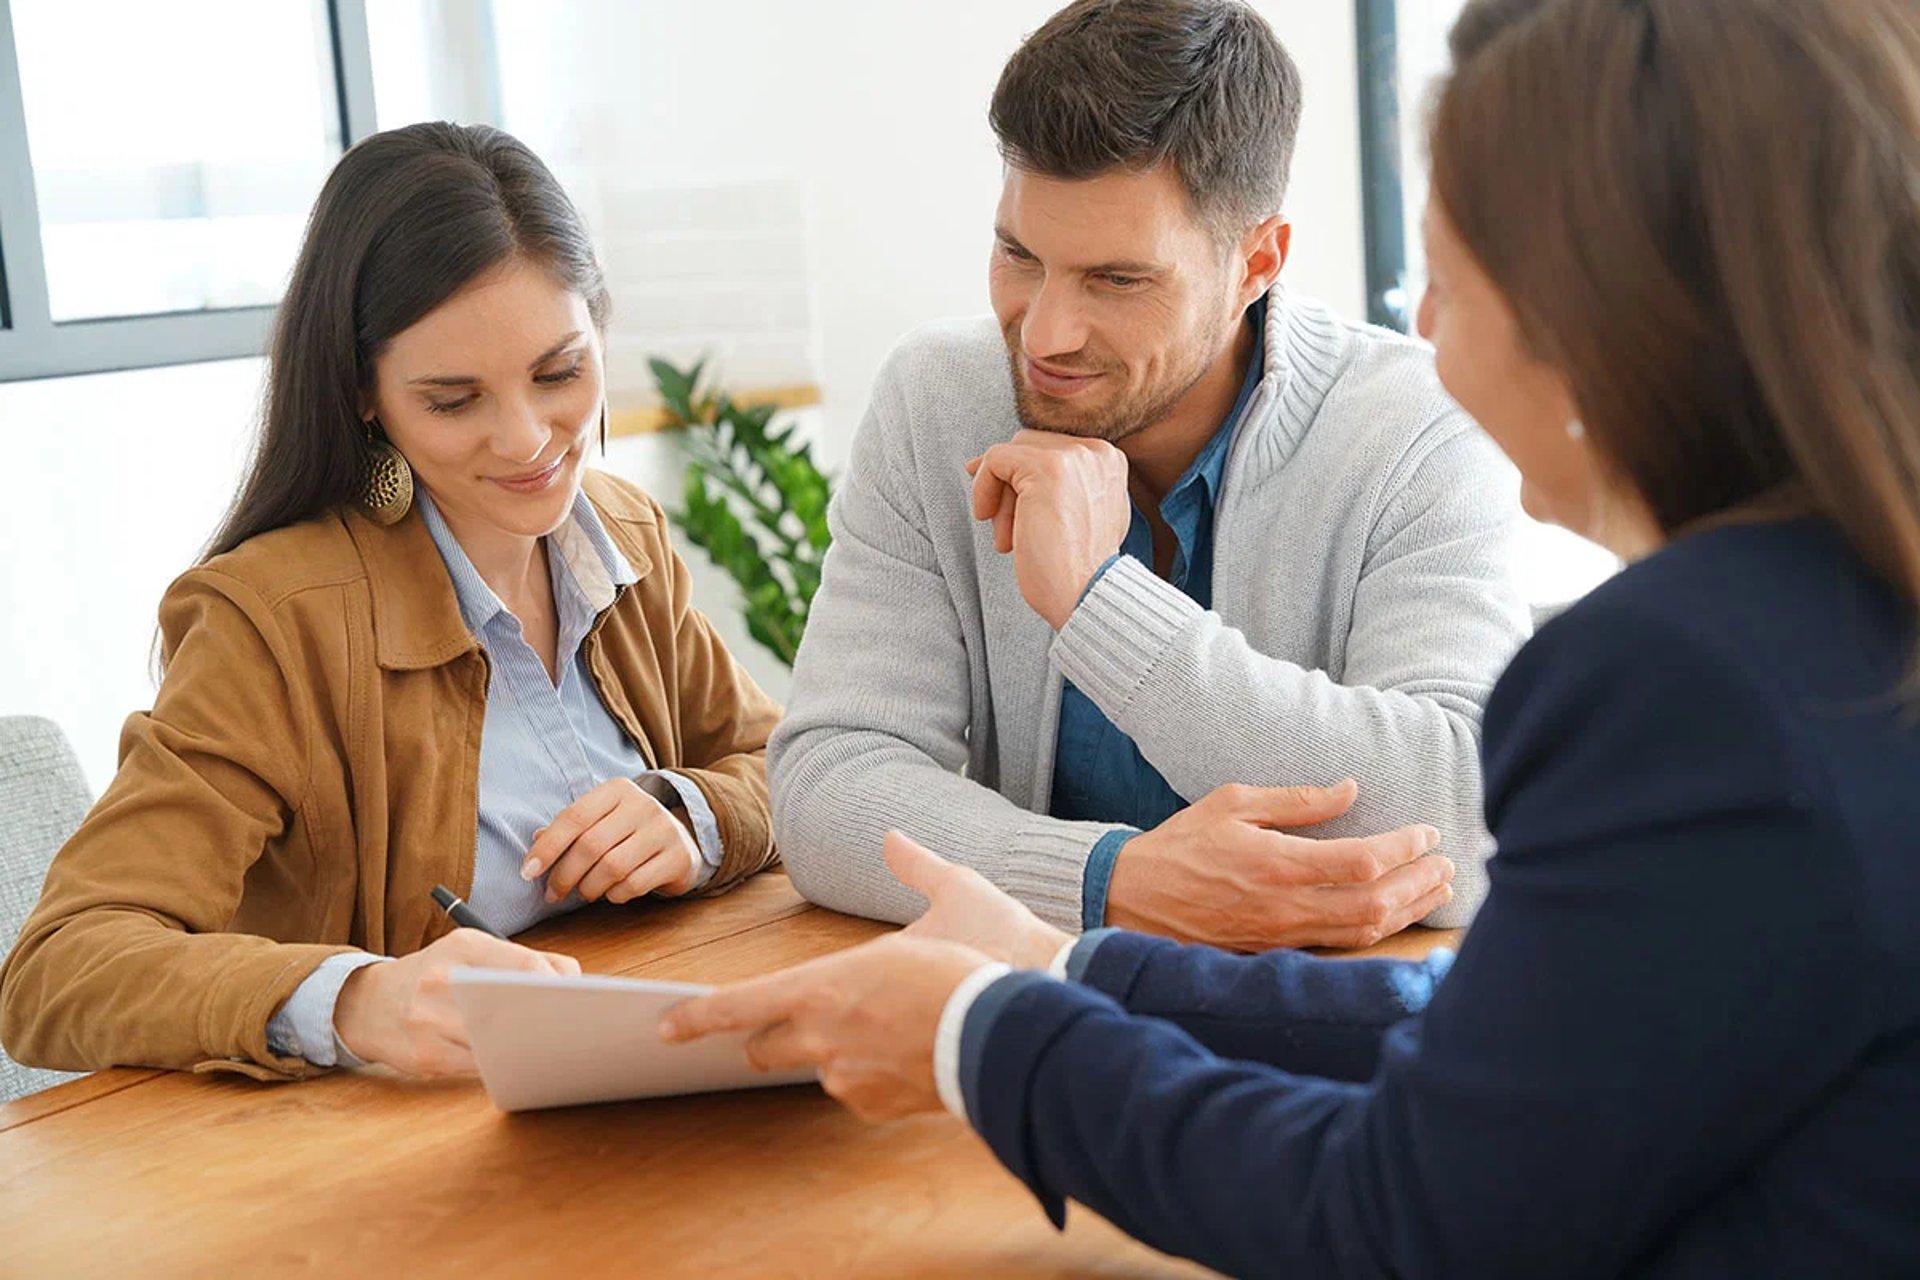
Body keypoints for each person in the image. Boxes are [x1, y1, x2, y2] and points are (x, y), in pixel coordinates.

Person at [661, 0, 1920, 1273]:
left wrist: (986, 1020)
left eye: (1453, 273)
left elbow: (1411, 1173)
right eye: (1017, 257)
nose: (1045, 330)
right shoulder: (1843, 616)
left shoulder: (1679, 667)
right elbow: (1526, 1028)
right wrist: (1093, 926)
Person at [0, 124, 781, 1082]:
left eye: (560, 372)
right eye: (455, 401)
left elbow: (789, 765)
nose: (528, 438)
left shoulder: (620, 534)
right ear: (367, 395)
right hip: (382, 1157)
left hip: (642, 1075)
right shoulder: (273, 622)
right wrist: (359, 997)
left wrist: (693, 814)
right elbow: (59, 970)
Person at [771, 0, 1529, 950]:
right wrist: (1108, 883)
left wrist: (1099, 606)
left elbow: (1463, 811)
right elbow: (830, 784)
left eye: (1117, 280)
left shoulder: (1417, 425)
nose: (1043, 334)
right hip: (1032, 1023)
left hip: (1321, 1045)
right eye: (1018, 254)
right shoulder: (938, 397)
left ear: (1257, 260)